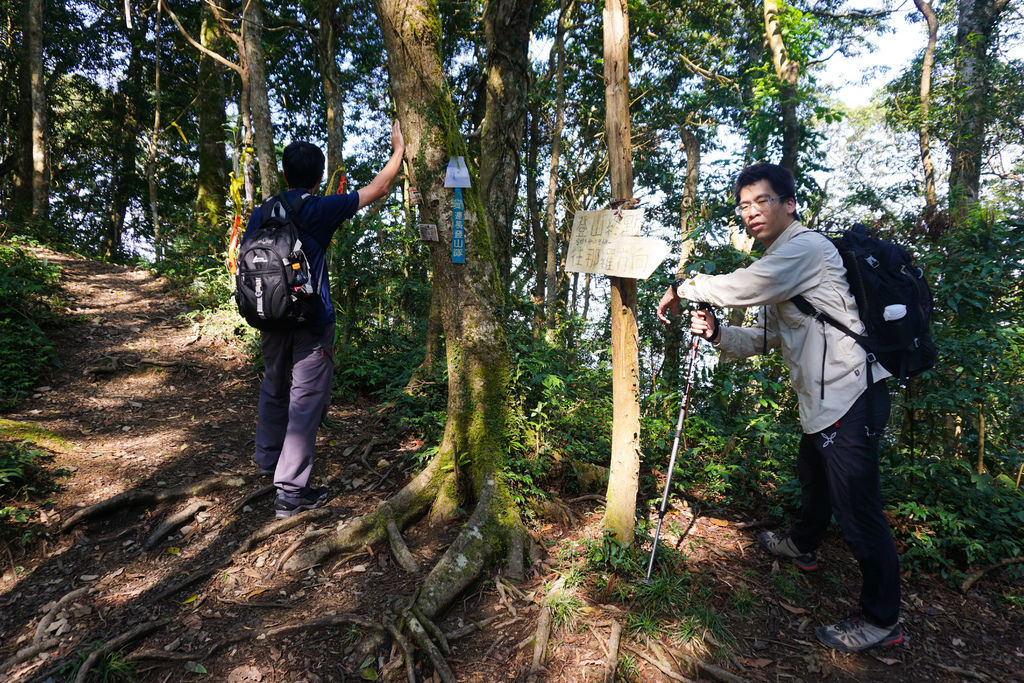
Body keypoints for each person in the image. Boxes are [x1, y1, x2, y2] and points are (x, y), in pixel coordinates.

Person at [656, 163, 902, 654]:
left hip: (850, 394)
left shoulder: (806, 248)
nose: (750, 213)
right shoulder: (783, 263)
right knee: (813, 476)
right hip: (823, 400)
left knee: (859, 512)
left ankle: (882, 620)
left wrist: (684, 287)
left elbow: (744, 287)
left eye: (760, 201)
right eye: (743, 205)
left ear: (788, 204)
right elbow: (767, 337)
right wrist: (719, 334)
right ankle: (803, 545)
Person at [243, 122, 405, 519]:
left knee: (274, 386)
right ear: (319, 178)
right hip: (311, 321)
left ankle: (268, 463)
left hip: (269, 317)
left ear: (284, 174)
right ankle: (291, 493)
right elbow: (379, 188)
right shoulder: (316, 208)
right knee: (305, 401)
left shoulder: (262, 211)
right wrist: (398, 150)